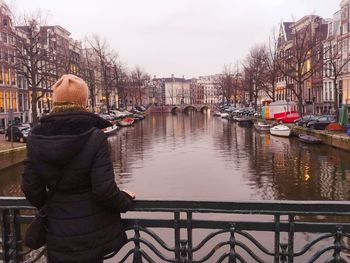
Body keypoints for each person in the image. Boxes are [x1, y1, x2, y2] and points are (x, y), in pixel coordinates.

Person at [22, 74, 135, 263]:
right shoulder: (94, 137)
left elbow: (31, 189)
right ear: (83, 101)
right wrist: (124, 202)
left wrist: (54, 206)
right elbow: (104, 190)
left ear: (55, 101)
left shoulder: (35, 137)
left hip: (57, 232)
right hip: (91, 233)